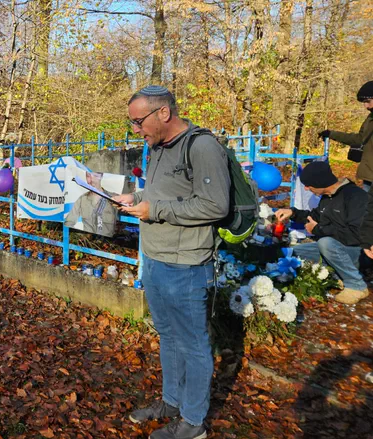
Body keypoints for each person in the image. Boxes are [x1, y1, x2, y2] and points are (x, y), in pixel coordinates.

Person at [114, 86, 231, 439]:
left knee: (193, 344)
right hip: (156, 257)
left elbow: (215, 206)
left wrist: (156, 210)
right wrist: (134, 197)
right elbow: (160, 194)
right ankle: (172, 401)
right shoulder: (158, 148)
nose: (136, 130)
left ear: (163, 113)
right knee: (168, 336)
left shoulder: (203, 147)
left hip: (186, 265)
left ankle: (193, 423)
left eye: (139, 121)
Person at [275, 161, 369, 304]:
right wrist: (292, 212)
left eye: (308, 185)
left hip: (358, 251)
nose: (306, 189)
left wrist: (318, 229)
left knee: (324, 242)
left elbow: (356, 235)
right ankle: (338, 273)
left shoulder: (355, 196)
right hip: (336, 248)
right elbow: (314, 217)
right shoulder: (327, 198)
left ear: (320, 182)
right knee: (293, 252)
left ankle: (356, 285)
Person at [319, 80, 373, 191]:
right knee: (367, 207)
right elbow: (359, 139)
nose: (366, 106)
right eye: (364, 102)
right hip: (369, 176)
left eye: (368, 101)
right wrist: (332, 134)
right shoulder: (370, 118)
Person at [64, 171, 117, 236]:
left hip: (108, 244)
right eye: (88, 176)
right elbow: (69, 222)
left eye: (95, 176)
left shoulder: (114, 198)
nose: (91, 180)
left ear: (101, 176)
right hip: (87, 243)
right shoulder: (82, 199)